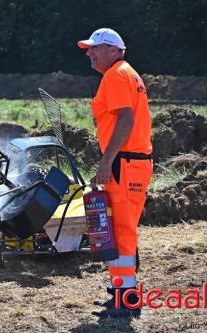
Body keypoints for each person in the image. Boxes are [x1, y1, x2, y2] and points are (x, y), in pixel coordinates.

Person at [78, 28, 153, 317]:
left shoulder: (117, 74)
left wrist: (106, 161)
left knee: (121, 232)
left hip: (125, 163)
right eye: (88, 48)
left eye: (94, 48)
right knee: (119, 230)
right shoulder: (123, 73)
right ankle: (120, 291)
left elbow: (126, 119)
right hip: (129, 162)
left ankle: (126, 300)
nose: (89, 52)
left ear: (113, 50)